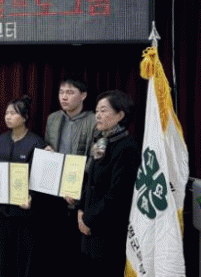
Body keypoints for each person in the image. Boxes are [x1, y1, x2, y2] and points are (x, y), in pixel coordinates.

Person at [78, 90, 141, 276]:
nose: (97, 115)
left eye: (103, 110)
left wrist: (89, 219)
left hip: (108, 230)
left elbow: (118, 194)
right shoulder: (102, 141)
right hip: (90, 226)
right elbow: (90, 181)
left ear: (120, 115)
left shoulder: (127, 147)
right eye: (96, 110)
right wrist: (81, 210)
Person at [42, 77, 97, 274]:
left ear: (83, 96)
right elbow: (49, 146)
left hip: (80, 190)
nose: (64, 97)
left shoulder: (93, 120)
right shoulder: (53, 118)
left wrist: (74, 187)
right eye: (61, 92)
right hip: (54, 191)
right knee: (53, 247)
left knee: (76, 249)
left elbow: (94, 158)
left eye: (70, 92)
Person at [0, 95, 46, 277]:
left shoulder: (36, 142)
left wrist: (32, 198)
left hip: (24, 213)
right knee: (2, 257)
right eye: (7, 113)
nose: (8, 117)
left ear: (25, 116)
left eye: (13, 113)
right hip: (1, 211)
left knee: (23, 259)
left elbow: (40, 177)